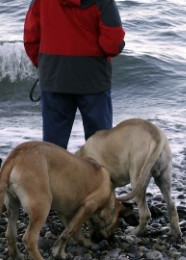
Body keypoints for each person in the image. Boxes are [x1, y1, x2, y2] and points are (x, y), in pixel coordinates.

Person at [24, 0, 125, 149]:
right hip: (93, 80)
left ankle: (56, 172)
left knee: (53, 151)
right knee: (101, 150)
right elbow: (112, 44)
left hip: (54, 77)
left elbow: (30, 37)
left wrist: (45, 65)